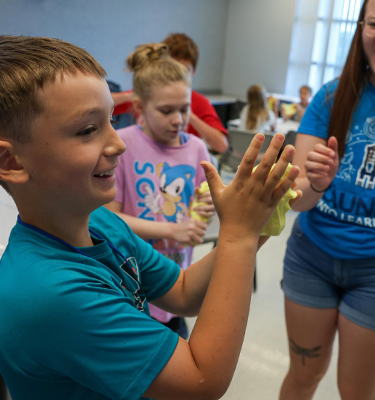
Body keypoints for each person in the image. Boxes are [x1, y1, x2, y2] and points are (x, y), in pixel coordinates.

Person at [0, 35, 301, 400]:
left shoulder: (100, 222)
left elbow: (184, 292)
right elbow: (201, 381)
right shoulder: (50, 294)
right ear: (12, 162)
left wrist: (256, 223)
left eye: (112, 120)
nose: (119, 144)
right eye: (87, 130)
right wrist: (237, 235)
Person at [279, 0, 375, 399]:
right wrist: (316, 182)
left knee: (356, 391)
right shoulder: (331, 98)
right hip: (311, 258)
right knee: (303, 376)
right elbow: (298, 202)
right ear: (361, 29)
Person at [105, 43, 214, 340]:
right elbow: (110, 220)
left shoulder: (197, 148)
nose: (178, 120)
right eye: (167, 111)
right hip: (130, 291)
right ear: (139, 108)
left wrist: (209, 206)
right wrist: (171, 230)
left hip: (176, 283)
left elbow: (204, 203)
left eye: (184, 108)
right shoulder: (122, 145)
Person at [162, 33, 229, 154]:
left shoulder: (199, 102)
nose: (178, 76)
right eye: (173, 69)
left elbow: (221, 145)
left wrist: (188, 114)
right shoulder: (147, 96)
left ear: (193, 72)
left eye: (185, 70)